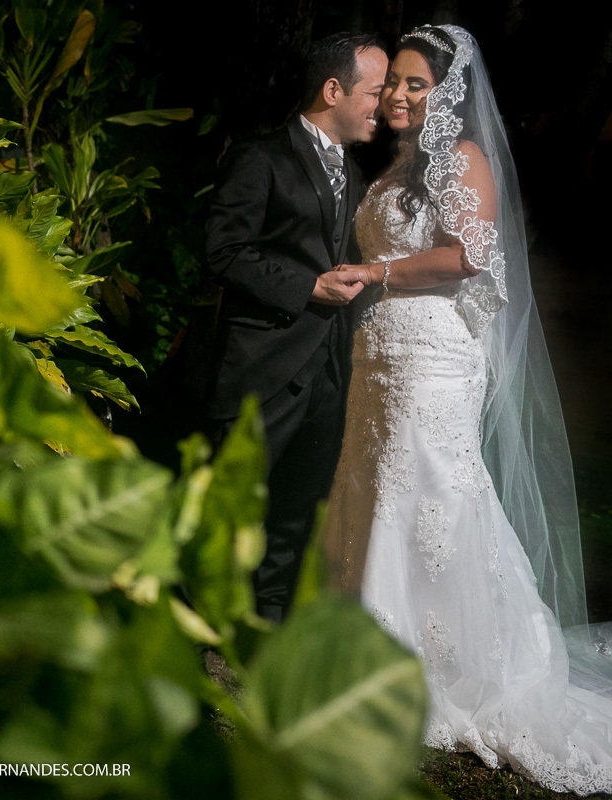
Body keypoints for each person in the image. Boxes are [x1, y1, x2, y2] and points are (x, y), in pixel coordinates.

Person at [323, 24, 612, 794]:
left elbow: (468, 256)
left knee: (432, 498)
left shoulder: (464, 160)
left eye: (417, 84)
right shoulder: (396, 171)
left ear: (446, 94)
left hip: (436, 359)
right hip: (382, 355)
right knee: (372, 487)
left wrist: (377, 269)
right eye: (395, 83)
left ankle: (431, 666)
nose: (398, 95)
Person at [202, 33, 386, 623]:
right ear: (334, 90)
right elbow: (222, 251)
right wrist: (308, 287)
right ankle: (203, 630)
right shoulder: (260, 158)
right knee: (231, 506)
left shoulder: (356, 174)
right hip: (265, 362)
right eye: (374, 92)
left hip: (330, 367)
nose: (380, 107)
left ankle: (270, 622)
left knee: (297, 507)